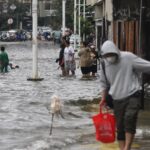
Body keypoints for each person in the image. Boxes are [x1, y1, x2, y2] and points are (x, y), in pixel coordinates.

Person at [99, 40, 150, 150]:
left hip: (133, 94)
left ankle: (127, 148)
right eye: (107, 55)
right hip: (117, 99)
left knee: (129, 118)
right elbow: (103, 83)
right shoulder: (104, 64)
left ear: (116, 51)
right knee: (120, 127)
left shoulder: (128, 57)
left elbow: (147, 66)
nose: (110, 57)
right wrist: (103, 98)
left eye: (111, 54)